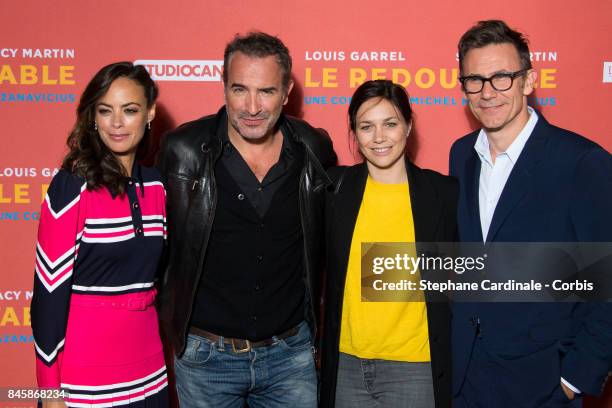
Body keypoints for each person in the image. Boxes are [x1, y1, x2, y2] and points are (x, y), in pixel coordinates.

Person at [157, 32, 336, 408]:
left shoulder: (313, 149)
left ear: (287, 92)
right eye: (240, 89)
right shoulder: (182, 150)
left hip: (291, 357)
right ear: (223, 86)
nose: (252, 107)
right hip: (206, 359)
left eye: (267, 91)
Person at [450, 20, 612, 407]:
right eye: (475, 80)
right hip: (464, 379)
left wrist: (575, 377)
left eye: (502, 77)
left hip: (541, 386)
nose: (488, 92)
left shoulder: (581, 162)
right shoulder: (461, 155)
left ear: (528, 81)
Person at [30, 62, 168, 407]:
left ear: (149, 113)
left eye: (130, 110)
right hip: (85, 380)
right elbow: (48, 295)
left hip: (151, 374)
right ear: (93, 117)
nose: (117, 123)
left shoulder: (157, 186)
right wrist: (49, 392)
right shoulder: (71, 186)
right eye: (106, 111)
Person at [320, 80, 457, 408]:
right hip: (346, 366)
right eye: (366, 126)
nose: (379, 137)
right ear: (354, 132)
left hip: (415, 368)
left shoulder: (444, 194)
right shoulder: (333, 191)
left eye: (390, 124)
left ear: (409, 126)